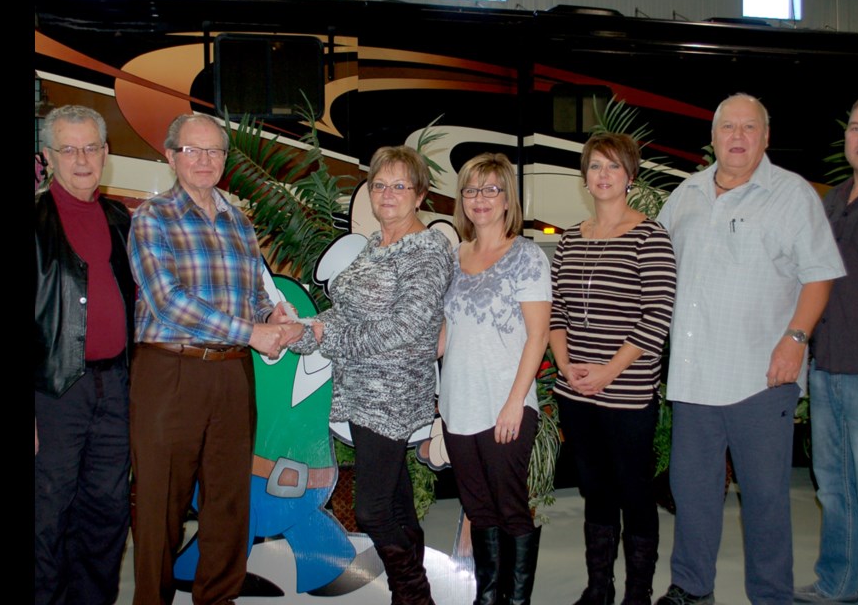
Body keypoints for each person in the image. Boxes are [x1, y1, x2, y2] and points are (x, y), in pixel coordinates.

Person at [654, 94, 846, 605]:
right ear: (713, 137)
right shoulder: (687, 194)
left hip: (762, 377)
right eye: (727, 127)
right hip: (693, 381)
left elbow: (820, 274)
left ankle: (770, 595)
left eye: (749, 127)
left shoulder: (792, 194)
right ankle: (693, 589)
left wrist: (796, 338)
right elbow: (655, 263)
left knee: (764, 502)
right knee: (693, 496)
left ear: (765, 137)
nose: (737, 137)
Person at [128, 113, 296, 605]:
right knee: (162, 506)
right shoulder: (151, 218)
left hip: (232, 374)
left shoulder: (239, 222)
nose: (205, 161)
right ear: (170, 155)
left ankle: (218, 599)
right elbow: (168, 302)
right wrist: (254, 331)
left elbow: (251, 297)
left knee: (228, 503)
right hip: (169, 371)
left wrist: (275, 314)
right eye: (193, 151)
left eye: (215, 152)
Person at [288, 145, 453, 605]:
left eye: (400, 185)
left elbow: (405, 328)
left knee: (373, 508)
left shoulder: (426, 249)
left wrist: (326, 338)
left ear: (420, 195)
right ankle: (413, 594)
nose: (387, 194)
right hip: (361, 392)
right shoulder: (377, 245)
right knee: (396, 500)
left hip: (393, 396)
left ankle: (413, 595)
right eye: (379, 184)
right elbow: (345, 314)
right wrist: (299, 332)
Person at [550, 133, 676, 605]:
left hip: (627, 393)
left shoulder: (650, 235)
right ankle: (598, 587)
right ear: (585, 176)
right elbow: (557, 310)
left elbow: (656, 315)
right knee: (596, 490)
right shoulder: (569, 239)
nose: (603, 175)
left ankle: (637, 593)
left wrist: (607, 371)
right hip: (575, 391)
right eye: (595, 166)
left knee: (634, 491)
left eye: (613, 167)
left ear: (629, 176)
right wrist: (566, 365)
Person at [439, 153, 552, 605]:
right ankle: (488, 595)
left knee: (510, 507)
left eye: (491, 190)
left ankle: (517, 599)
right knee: (478, 507)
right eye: (471, 189)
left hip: (506, 404)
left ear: (508, 199)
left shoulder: (525, 256)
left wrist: (514, 402)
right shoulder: (453, 256)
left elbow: (539, 335)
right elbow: (446, 332)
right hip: (457, 404)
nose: (480, 199)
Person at [35, 105, 135, 605]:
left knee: (107, 511)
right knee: (46, 515)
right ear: (48, 157)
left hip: (115, 386)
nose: (81, 159)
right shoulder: (35, 220)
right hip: (52, 391)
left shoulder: (120, 218)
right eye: (68, 149)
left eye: (90, 147)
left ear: (105, 154)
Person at [794, 94, 858, 605]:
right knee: (834, 489)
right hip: (827, 369)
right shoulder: (832, 200)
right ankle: (837, 583)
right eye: (856, 128)